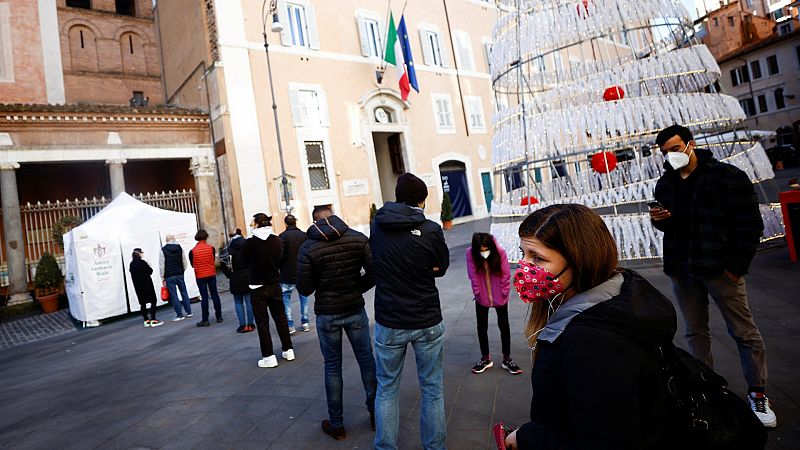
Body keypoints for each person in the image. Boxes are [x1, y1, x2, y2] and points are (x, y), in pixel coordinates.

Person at [505, 204, 678, 450]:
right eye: (523, 254)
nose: (524, 267)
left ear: (579, 259)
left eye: (538, 258)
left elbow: (604, 441)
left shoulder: (592, 341)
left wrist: (527, 438)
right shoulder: (617, 293)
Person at [651, 124, 776, 427]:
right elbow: (669, 227)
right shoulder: (666, 184)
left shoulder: (727, 177)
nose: (671, 156)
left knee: (743, 331)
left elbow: (749, 226)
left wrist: (734, 269)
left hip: (720, 268)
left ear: (691, 144)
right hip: (683, 269)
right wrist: (661, 221)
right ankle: (704, 390)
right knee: (695, 333)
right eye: (665, 152)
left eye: (676, 148)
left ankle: (758, 394)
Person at [370, 173, 450, 450]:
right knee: (432, 389)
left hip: (389, 320)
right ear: (422, 200)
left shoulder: (377, 226)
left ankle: (385, 447)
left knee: (387, 388)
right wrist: (425, 268)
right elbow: (442, 266)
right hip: (426, 317)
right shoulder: (430, 229)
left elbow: (377, 260)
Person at [297, 206, 377, 441]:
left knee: (332, 367)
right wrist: (355, 288)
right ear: (333, 215)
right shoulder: (357, 238)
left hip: (327, 312)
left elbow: (304, 288)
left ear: (314, 221)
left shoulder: (308, 247)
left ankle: (337, 424)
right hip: (354, 309)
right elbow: (374, 272)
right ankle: (376, 416)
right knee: (366, 361)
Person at [243, 213, 294, 368]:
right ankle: (288, 349)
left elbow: (244, 261)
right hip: (274, 283)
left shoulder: (250, 243)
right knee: (281, 318)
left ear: (257, 223)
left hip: (258, 286)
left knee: (262, 322)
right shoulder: (276, 240)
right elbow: (280, 259)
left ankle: (268, 356)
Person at [465, 232, 521, 375]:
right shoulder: (470, 253)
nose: (484, 253)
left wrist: (504, 292)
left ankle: (507, 358)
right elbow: (473, 274)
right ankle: (485, 358)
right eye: (481, 250)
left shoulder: (500, 252)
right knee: (481, 326)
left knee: (504, 324)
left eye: (486, 249)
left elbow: (506, 274)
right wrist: (477, 292)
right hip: (481, 296)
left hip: (499, 294)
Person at [279, 215, 310, 334]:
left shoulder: (283, 236)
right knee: (304, 298)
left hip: (287, 273)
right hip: (302, 271)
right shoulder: (304, 235)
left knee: (286, 299)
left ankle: (290, 325)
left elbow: (280, 256)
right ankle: (305, 322)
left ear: (286, 224)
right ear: (295, 222)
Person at [221, 229, 255, 333]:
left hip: (235, 276)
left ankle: (242, 325)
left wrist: (230, 276)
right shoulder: (248, 245)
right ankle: (250, 324)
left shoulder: (227, 249)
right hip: (248, 275)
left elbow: (223, 265)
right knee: (249, 301)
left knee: (238, 301)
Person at [190, 229, 223, 327]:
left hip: (200, 276)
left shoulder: (192, 251)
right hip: (211, 274)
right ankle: (219, 316)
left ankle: (205, 319)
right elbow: (212, 260)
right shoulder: (211, 248)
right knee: (215, 295)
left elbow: (192, 264)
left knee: (204, 297)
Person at [160, 234, 193, 321]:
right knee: (184, 292)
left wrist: (162, 277)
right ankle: (189, 312)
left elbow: (161, 265)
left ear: (166, 240)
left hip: (169, 276)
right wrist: (182, 271)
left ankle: (179, 315)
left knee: (174, 295)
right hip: (179, 274)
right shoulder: (179, 248)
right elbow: (184, 261)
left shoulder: (163, 250)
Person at [129, 248, 163, 328]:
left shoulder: (131, 264)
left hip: (138, 287)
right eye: (142, 252)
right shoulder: (142, 262)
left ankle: (146, 320)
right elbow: (150, 271)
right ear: (139, 253)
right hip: (147, 285)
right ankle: (153, 319)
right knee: (153, 301)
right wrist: (149, 266)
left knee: (143, 303)